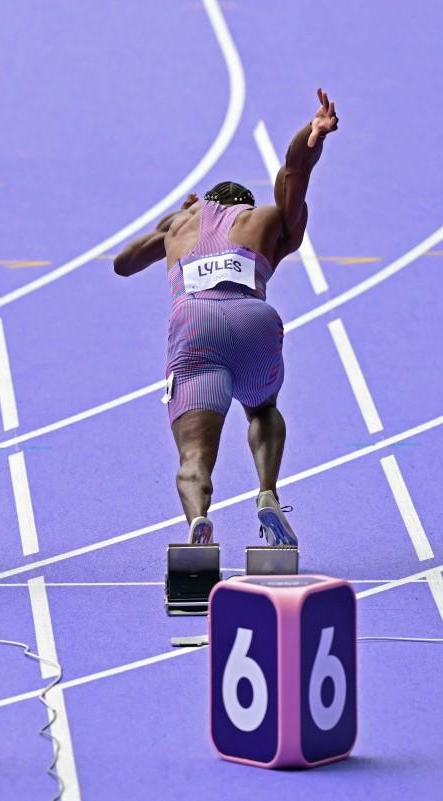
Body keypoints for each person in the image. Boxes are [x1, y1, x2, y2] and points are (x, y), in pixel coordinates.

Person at [113, 89, 339, 545]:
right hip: (254, 319)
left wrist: (172, 220)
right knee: (264, 409)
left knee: (194, 456)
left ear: (204, 206)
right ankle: (267, 490)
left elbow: (123, 263)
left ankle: (198, 520)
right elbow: (295, 170)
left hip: (195, 323)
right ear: (245, 205)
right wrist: (312, 132)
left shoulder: (180, 226)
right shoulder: (267, 218)